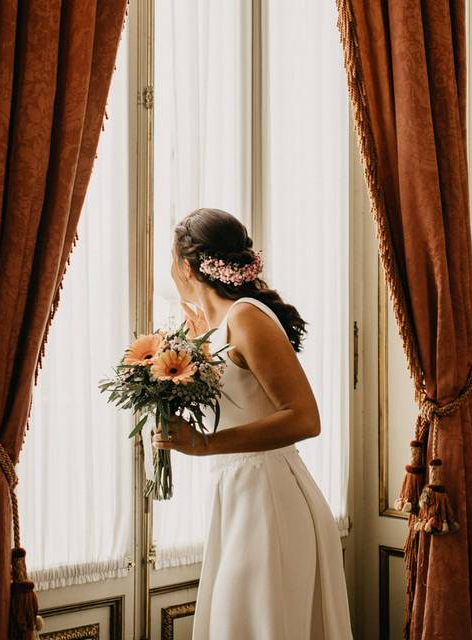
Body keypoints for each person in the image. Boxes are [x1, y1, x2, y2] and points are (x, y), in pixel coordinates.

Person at [151, 207, 354, 639]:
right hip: (238, 494)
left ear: (187, 267)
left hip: (270, 497)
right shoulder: (212, 327)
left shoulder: (245, 317)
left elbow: (305, 417)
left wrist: (204, 443)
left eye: (170, 258)